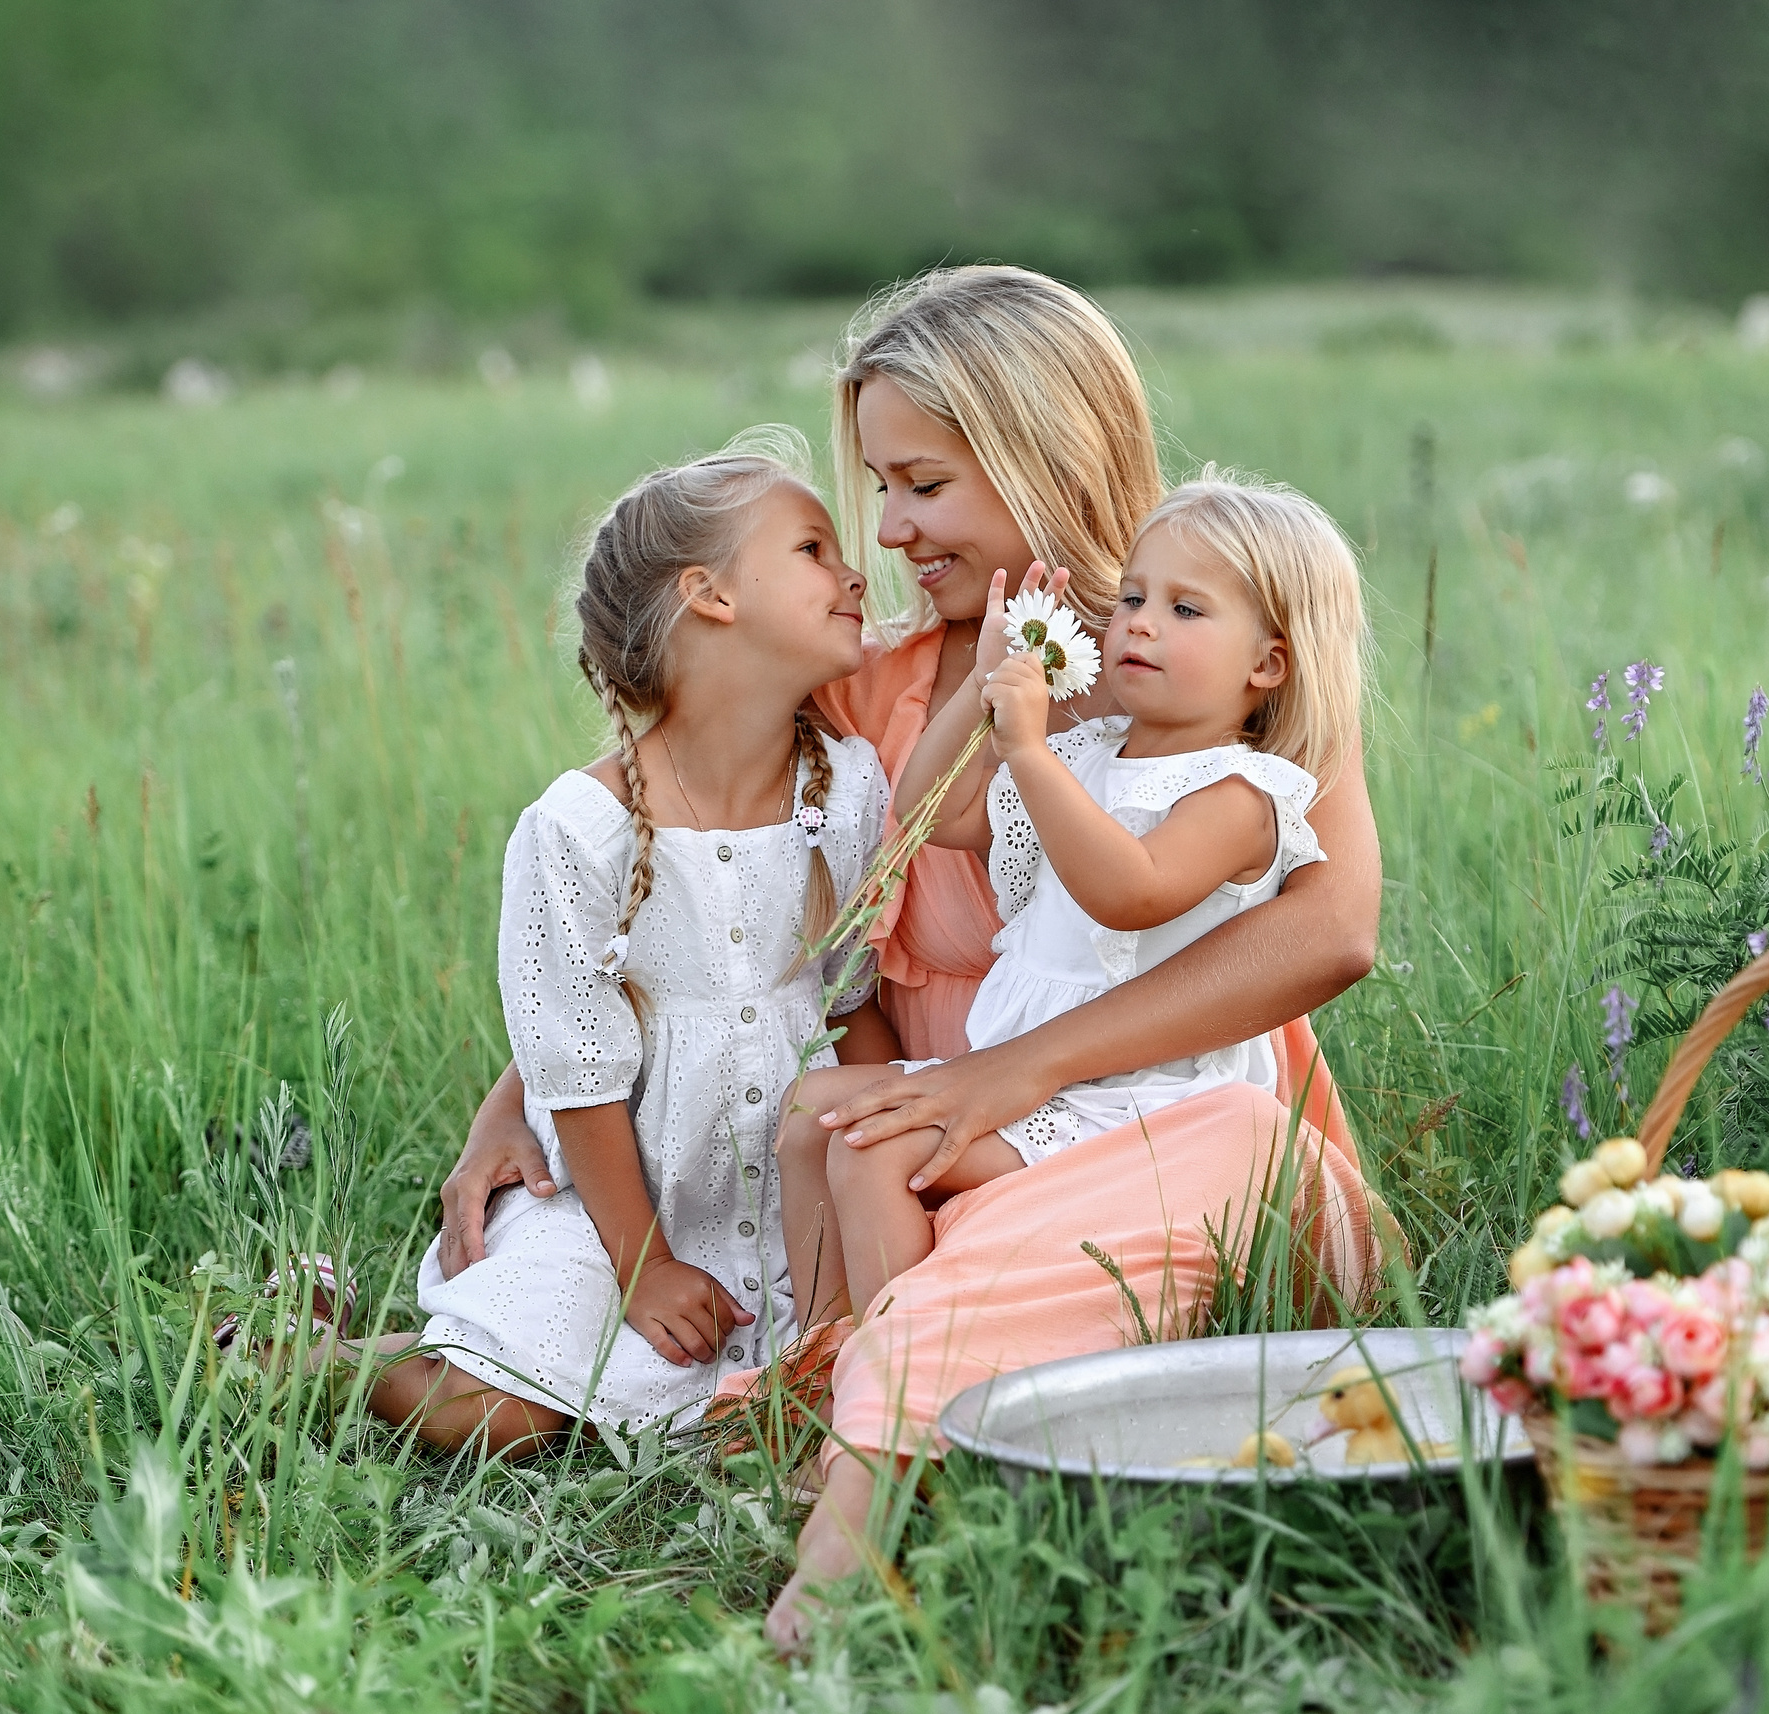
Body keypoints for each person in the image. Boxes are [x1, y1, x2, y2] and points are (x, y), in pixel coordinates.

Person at [427, 267, 1387, 1645]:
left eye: (922, 483)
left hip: (1134, 1128)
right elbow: (666, 880)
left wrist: (1010, 1073)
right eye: (875, 487)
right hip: (926, 1158)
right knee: (867, 1172)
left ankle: (873, 1455)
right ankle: (895, 1408)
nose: (887, 530)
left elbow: (1334, 930)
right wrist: (517, 1090)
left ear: (1035, 450)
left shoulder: (1211, 655)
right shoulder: (866, 688)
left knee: (1120, 1174)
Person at [308, 434, 898, 1453]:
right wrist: (645, 1267)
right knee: (484, 1418)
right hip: (617, 1207)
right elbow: (577, 1076)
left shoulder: (847, 792)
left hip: (794, 1205)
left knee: (790, 1396)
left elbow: (856, 1008)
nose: (854, 572)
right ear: (710, 594)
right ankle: (314, 1355)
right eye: (812, 548)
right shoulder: (577, 830)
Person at [780, 474, 1367, 1329]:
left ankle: (909, 1380)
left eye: (1186, 610)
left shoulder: (1243, 791)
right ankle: (821, 1364)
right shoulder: (1089, 751)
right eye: (1134, 596)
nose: (1139, 620)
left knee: (877, 1154)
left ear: (1267, 662)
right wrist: (981, 693)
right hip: (1025, 1073)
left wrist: (1029, 751)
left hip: (1140, 1099)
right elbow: (933, 812)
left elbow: (1132, 890)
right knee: (810, 1114)